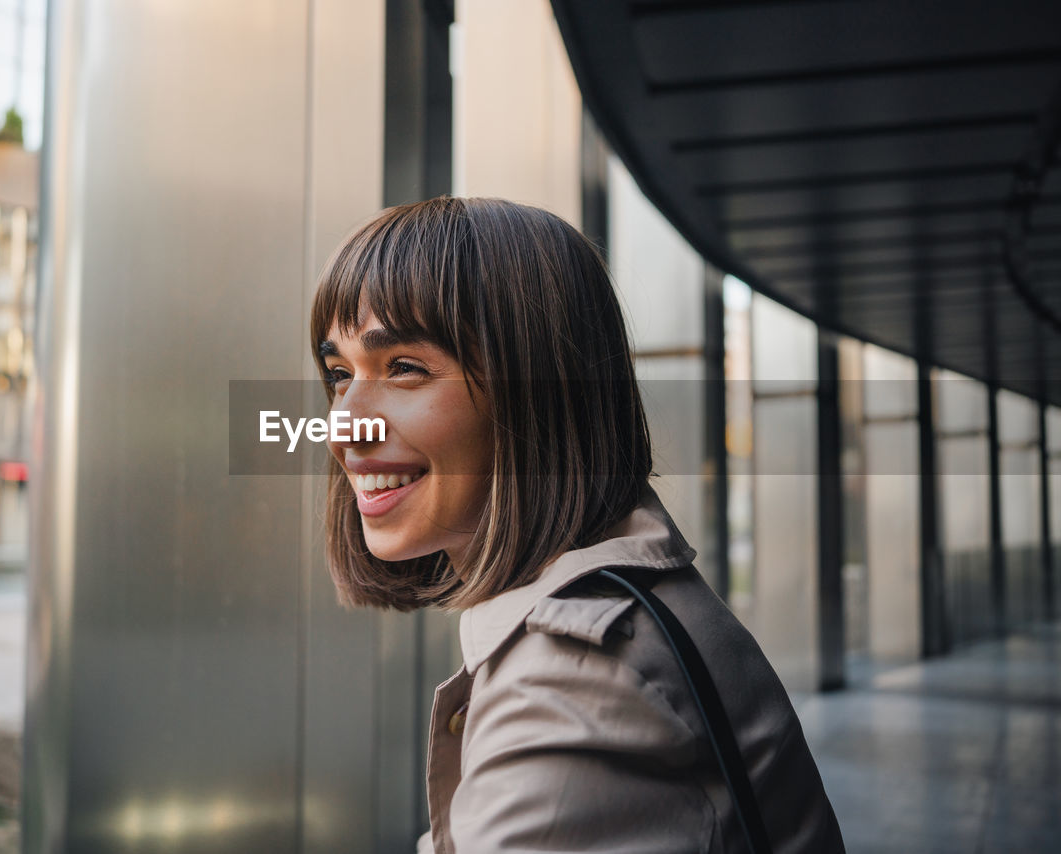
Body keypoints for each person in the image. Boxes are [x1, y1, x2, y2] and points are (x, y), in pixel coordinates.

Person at [309, 196, 844, 854]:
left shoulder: (575, 681)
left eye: (404, 369)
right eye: (339, 374)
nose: (343, 425)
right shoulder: (620, 601)